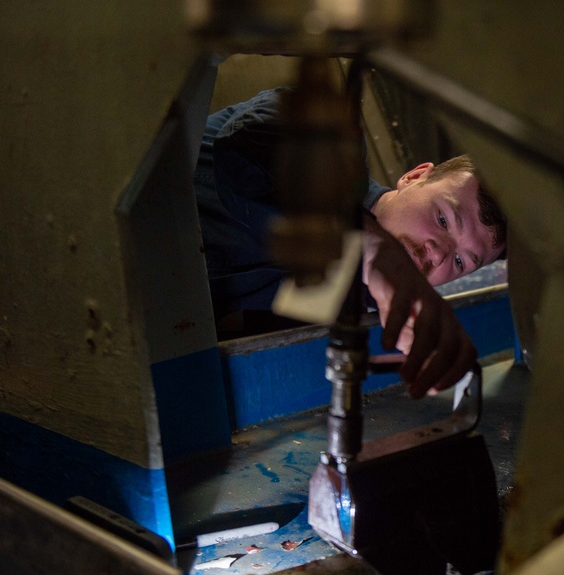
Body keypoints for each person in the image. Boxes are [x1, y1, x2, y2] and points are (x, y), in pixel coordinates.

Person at [195, 87, 508, 398]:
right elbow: (245, 155)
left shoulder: (358, 303)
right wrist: (370, 246)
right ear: (414, 177)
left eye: (460, 262)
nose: (438, 254)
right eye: (442, 219)